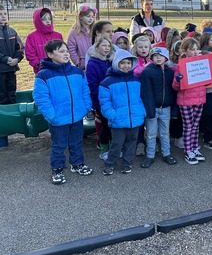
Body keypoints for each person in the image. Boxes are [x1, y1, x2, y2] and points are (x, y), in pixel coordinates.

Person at [33, 40, 93, 185]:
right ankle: (57, 168)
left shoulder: (77, 72)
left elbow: (85, 90)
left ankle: (77, 164)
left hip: (77, 116)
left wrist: (86, 106)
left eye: (66, 51)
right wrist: (51, 115)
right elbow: (41, 98)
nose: (66, 54)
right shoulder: (44, 75)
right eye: (61, 51)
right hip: (58, 118)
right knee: (59, 145)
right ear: (50, 54)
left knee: (76, 142)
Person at [99, 49, 146, 175]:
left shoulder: (136, 80)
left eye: (128, 63)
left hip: (135, 118)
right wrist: (112, 115)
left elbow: (139, 98)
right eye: (123, 63)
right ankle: (110, 164)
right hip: (118, 120)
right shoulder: (107, 82)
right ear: (116, 64)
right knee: (117, 144)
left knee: (131, 143)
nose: (126, 66)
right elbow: (105, 102)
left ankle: (127, 163)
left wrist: (141, 111)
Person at [140, 47, 177, 167]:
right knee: (151, 134)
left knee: (165, 132)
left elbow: (174, 90)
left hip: (166, 108)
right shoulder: (147, 72)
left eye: (160, 56)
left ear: (166, 58)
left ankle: (167, 154)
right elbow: (146, 93)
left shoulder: (170, 72)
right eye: (155, 56)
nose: (158, 58)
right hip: (152, 108)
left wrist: (174, 109)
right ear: (151, 58)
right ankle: (150, 156)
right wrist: (149, 110)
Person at [173, 38, 207, 165]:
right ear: (184, 50)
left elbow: (207, 81)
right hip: (186, 100)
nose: (195, 51)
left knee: (196, 125)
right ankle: (188, 151)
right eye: (192, 49)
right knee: (188, 126)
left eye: (197, 49)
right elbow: (175, 87)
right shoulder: (180, 65)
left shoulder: (202, 63)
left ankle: (194, 147)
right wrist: (178, 79)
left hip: (200, 98)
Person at [86, 34, 115, 160]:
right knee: (104, 125)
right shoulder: (92, 64)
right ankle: (104, 148)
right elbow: (92, 85)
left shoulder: (111, 61)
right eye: (104, 45)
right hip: (101, 100)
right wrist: (99, 100)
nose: (107, 48)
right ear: (97, 47)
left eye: (109, 45)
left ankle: (113, 147)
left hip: (113, 99)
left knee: (113, 124)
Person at [0, 4, 24, 147]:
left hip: (11, 70)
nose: (3, 16)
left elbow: (20, 47)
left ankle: (13, 126)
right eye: (0, 14)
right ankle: (3, 134)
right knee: (1, 98)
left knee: (11, 96)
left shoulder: (12, 31)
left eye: (4, 13)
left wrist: (17, 58)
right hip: (1, 70)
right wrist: (5, 59)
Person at [25, 7, 63, 75]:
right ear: (38, 21)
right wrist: (39, 65)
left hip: (58, 70)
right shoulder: (32, 37)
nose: (48, 21)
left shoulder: (58, 36)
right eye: (44, 19)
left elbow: (63, 51)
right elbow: (30, 54)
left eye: (50, 19)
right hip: (41, 71)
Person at [67, 4, 96, 70]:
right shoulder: (74, 33)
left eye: (92, 17)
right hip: (83, 66)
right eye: (88, 16)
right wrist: (78, 63)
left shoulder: (95, 31)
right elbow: (71, 49)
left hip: (96, 63)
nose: (91, 18)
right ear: (80, 16)